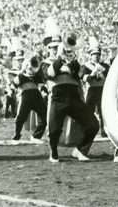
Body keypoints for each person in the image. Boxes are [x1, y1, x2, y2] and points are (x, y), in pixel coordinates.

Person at [42, 34, 100, 162]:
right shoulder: (45, 63)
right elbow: (50, 73)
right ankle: (54, 153)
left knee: (93, 124)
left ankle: (80, 150)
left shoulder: (71, 63)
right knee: (54, 129)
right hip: (57, 97)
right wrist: (59, 58)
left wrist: (72, 60)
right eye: (54, 47)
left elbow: (79, 74)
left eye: (59, 46)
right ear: (48, 49)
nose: (57, 49)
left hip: (73, 97)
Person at [11, 56, 47, 144]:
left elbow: (43, 84)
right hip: (25, 97)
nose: (30, 68)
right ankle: (16, 137)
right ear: (25, 66)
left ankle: (36, 136)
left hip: (37, 97)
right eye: (28, 66)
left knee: (45, 116)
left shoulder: (37, 76)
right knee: (20, 118)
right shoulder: (20, 76)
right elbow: (12, 87)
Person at [81, 44, 109, 138]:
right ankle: (87, 130)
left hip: (102, 89)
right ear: (91, 55)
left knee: (103, 111)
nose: (96, 56)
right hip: (91, 89)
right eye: (94, 54)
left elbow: (108, 77)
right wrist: (93, 75)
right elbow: (84, 78)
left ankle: (104, 131)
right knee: (88, 110)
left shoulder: (104, 65)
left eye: (97, 54)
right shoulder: (86, 65)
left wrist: (101, 71)